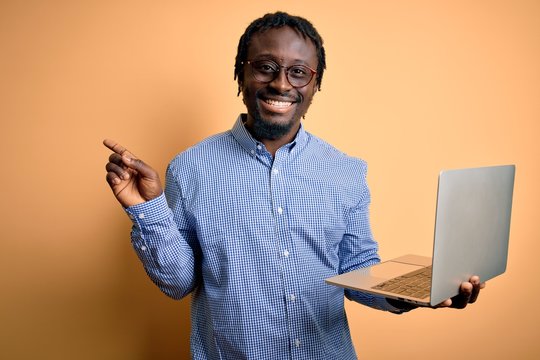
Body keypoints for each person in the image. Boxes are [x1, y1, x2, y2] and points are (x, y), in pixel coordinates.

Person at [104, 11, 485, 360]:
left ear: (316, 84)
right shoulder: (190, 169)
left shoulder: (345, 171)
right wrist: (146, 209)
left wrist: (413, 293)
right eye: (266, 67)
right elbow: (178, 283)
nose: (281, 83)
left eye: (299, 72)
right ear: (240, 74)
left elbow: (356, 270)